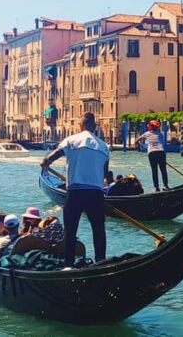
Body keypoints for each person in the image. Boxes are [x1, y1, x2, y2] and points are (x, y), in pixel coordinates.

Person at [41, 112, 109, 267]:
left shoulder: (71, 140)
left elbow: (51, 157)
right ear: (95, 127)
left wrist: (45, 164)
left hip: (76, 192)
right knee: (99, 230)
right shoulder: (104, 147)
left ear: (81, 125)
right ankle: (101, 262)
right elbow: (105, 174)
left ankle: (69, 264)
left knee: (70, 231)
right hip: (96, 193)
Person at [136, 120, 169, 192]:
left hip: (152, 153)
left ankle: (157, 188)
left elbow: (137, 140)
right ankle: (165, 186)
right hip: (161, 152)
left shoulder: (146, 134)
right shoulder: (161, 133)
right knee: (163, 170)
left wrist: (138, 144)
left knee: (154, 171)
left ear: (150, 127)